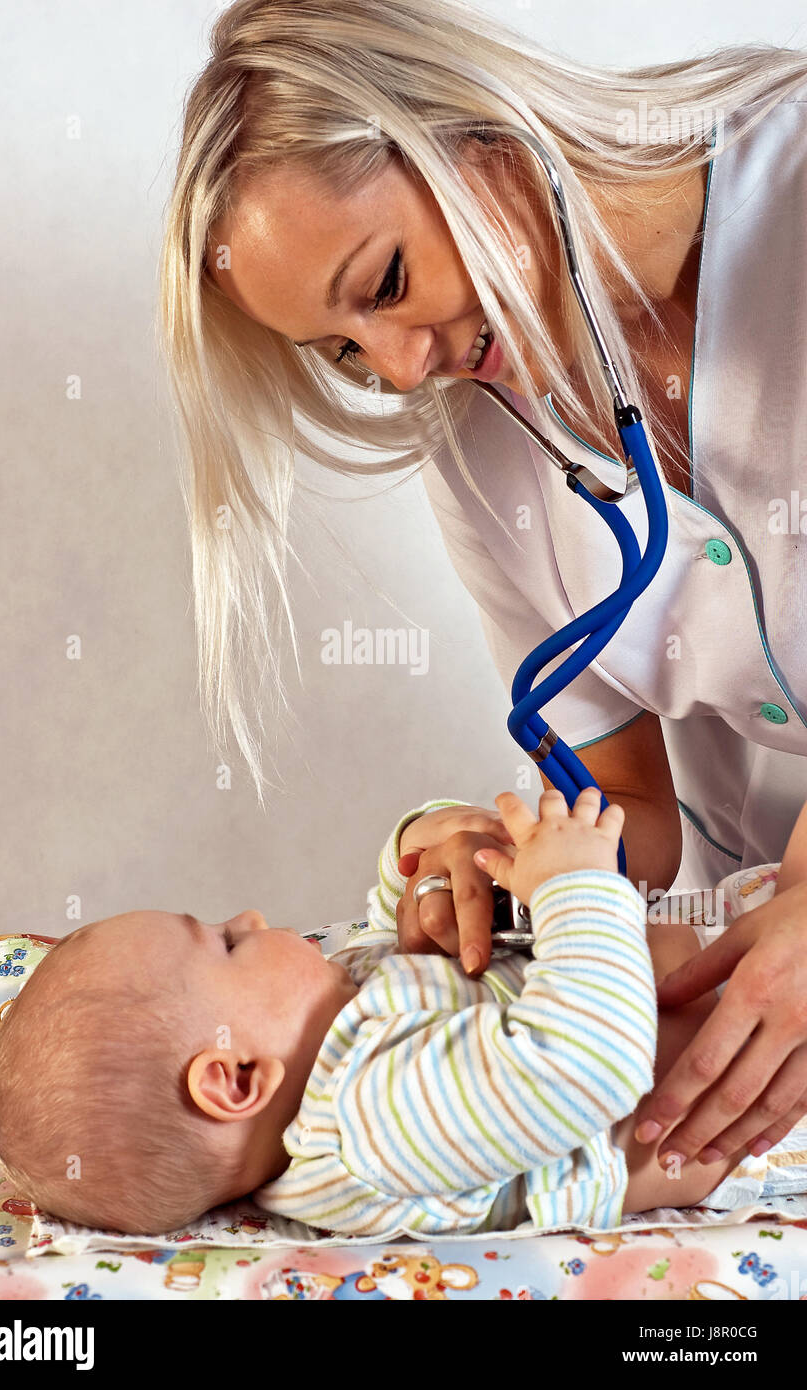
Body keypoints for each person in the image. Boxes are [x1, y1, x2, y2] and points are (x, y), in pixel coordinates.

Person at [157, 1, 807, 1194]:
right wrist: (528, 858)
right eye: (345, 351)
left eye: (386, 281)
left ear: (478, 134)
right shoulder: (477, 439)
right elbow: (629, 807)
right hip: (751, 965)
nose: (400, 369)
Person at [0, 789, 807, 1237]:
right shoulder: (368, 1126)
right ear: (234, 1078)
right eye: (228, 944)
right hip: (777, 1089)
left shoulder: (328, 1035)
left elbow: (396, 927)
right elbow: (589, 1064)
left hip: (746, 939)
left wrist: (428, 848)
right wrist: (576, 887)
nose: (255, 918)